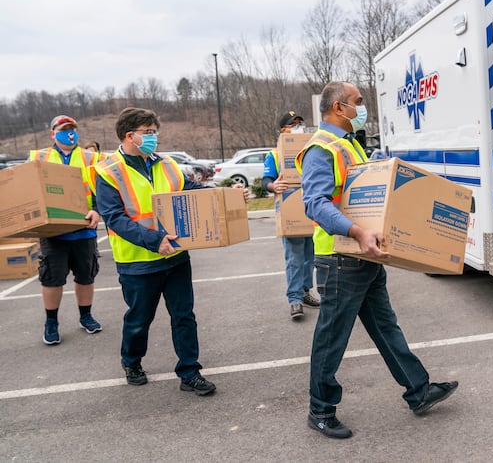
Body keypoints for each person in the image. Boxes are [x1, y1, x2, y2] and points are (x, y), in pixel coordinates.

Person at [295, 81, 458, 439]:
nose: (362, 107)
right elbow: (315, 203)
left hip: (364, 255)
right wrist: (356, 232)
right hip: (340, 258)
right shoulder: (321, 149)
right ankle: (320, 410)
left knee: (386, 327)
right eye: (357, 102)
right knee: (331, 338)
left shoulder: (348, 144)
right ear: (339, 107)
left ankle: (418, 390)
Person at [94, 107, 249, 395]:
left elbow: (188, 188)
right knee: (140, 319)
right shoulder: (107, 171)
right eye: (149, 133)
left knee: (184, 315)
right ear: (130, 135)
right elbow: (115, 218)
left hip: (176, 255)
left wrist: (228, 194)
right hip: (138, 263)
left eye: (155, 132)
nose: (155, 137)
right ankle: (131, 361)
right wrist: (155, 240)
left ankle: (190, 372)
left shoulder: (164, 164)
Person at [29, 115, 102, 345]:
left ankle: (86, 316)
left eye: (72, 128)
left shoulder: (90, 157)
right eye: (63, 129)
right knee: (52, 278)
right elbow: (30, 189)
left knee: (86, 275)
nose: (69, 132)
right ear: (53, 133)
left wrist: (97, 210)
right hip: (54, 232)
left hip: (84, 228)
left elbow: (103, 187)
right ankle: (51, 323)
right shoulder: (40, 157)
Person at [262, 111, 319, 320]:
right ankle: (295, 300)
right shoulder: (275, 154)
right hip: (291, 210)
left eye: (300, 123)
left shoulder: (310, 149)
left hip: (310, 209)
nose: (297, 127)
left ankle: (305, 292)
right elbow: (265, 180)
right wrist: (272, 185)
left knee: (309, 257)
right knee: (294, 258)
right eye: (292, 124)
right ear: (282, 130)